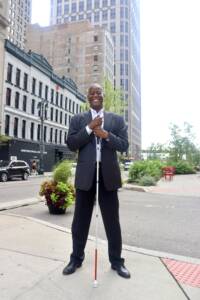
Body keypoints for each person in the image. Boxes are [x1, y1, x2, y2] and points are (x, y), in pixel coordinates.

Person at [63, 83, 130, 279]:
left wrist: (106, 135)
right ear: (87, 97)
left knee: (112, 222)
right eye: (91, 93)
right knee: (80, 222)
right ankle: (76, 259)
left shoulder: (116, 120)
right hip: (86, 177)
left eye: (98, 92)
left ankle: (117, 262)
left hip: (107, 175)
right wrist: (90, 128)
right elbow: (72, 143)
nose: (95, 95)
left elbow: (124, 145)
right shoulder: (77, 119)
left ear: (103, 95)